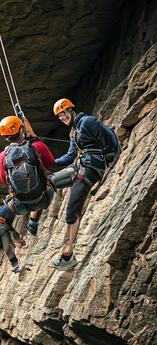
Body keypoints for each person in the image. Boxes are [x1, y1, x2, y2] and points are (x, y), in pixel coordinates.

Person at [51, 98, 120, 271]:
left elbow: (110, 136)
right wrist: (50, 160)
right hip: (79, 165)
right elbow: (69, 156)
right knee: (50, 181)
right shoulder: (73, 132)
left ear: (71, 110)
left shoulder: (88, 122)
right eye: (59, 116)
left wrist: (109, 159)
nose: (62, 117)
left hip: (91, 168)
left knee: (71, 211)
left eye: (64, 113)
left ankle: (67, 255)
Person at [0, 116, 55, 237]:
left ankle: (17, 235)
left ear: (4, 137)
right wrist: (34, 137)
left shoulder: (2, 156)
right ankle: (33, 221)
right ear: (22, 129)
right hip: (44, 198)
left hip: (20, 205)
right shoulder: (37, 146)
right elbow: (50, 162)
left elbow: (4, 181)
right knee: (44, 180)